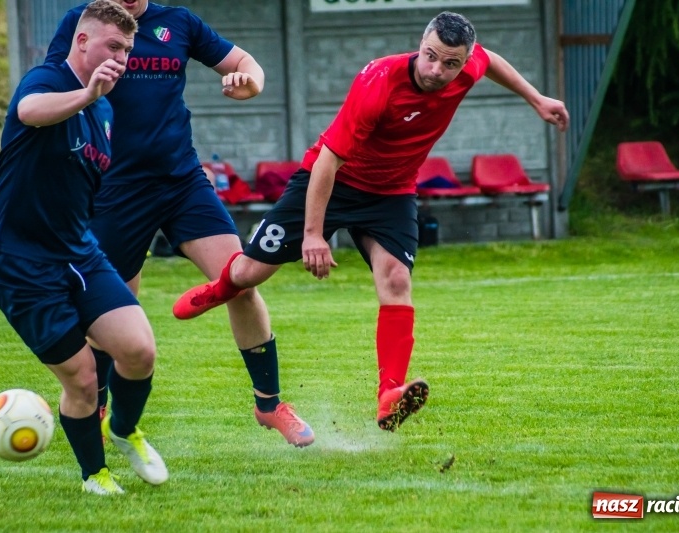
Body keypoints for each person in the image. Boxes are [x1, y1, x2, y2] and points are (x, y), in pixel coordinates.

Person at [173, 11, 570, 431]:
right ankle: (221, 287)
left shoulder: (467, 65)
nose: (438, 70)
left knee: (397, 280)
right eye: (430, 57)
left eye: (451, 63)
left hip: (391, 192)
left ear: (462, 60)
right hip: (332, 180)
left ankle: (389, 395)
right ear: (420, 45)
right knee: (250, 273)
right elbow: (329, 160)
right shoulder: (379, 84)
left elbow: (490, 60)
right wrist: (313, 235)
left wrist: (536, 98)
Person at [45, 0, 313, 447]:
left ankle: (269, 404)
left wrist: (250, 82)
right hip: (113, 188)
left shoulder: (180, 22)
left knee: (239, 282)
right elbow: (53, 87)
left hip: (181, 182)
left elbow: (246, 63)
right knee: (110, 309)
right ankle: (99, 407)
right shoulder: (82, 21)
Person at [0, 0, 167, 495]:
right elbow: (29, 112)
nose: (122, 57)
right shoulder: (47, 81)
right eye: (113, 45)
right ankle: (95, 475)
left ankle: (123, 430)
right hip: (19, 261)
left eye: (127, 49)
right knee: (83, 379)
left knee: (139, 350)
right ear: (82, 42)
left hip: (78, 252)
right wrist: (85, 94)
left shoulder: (104, 108)